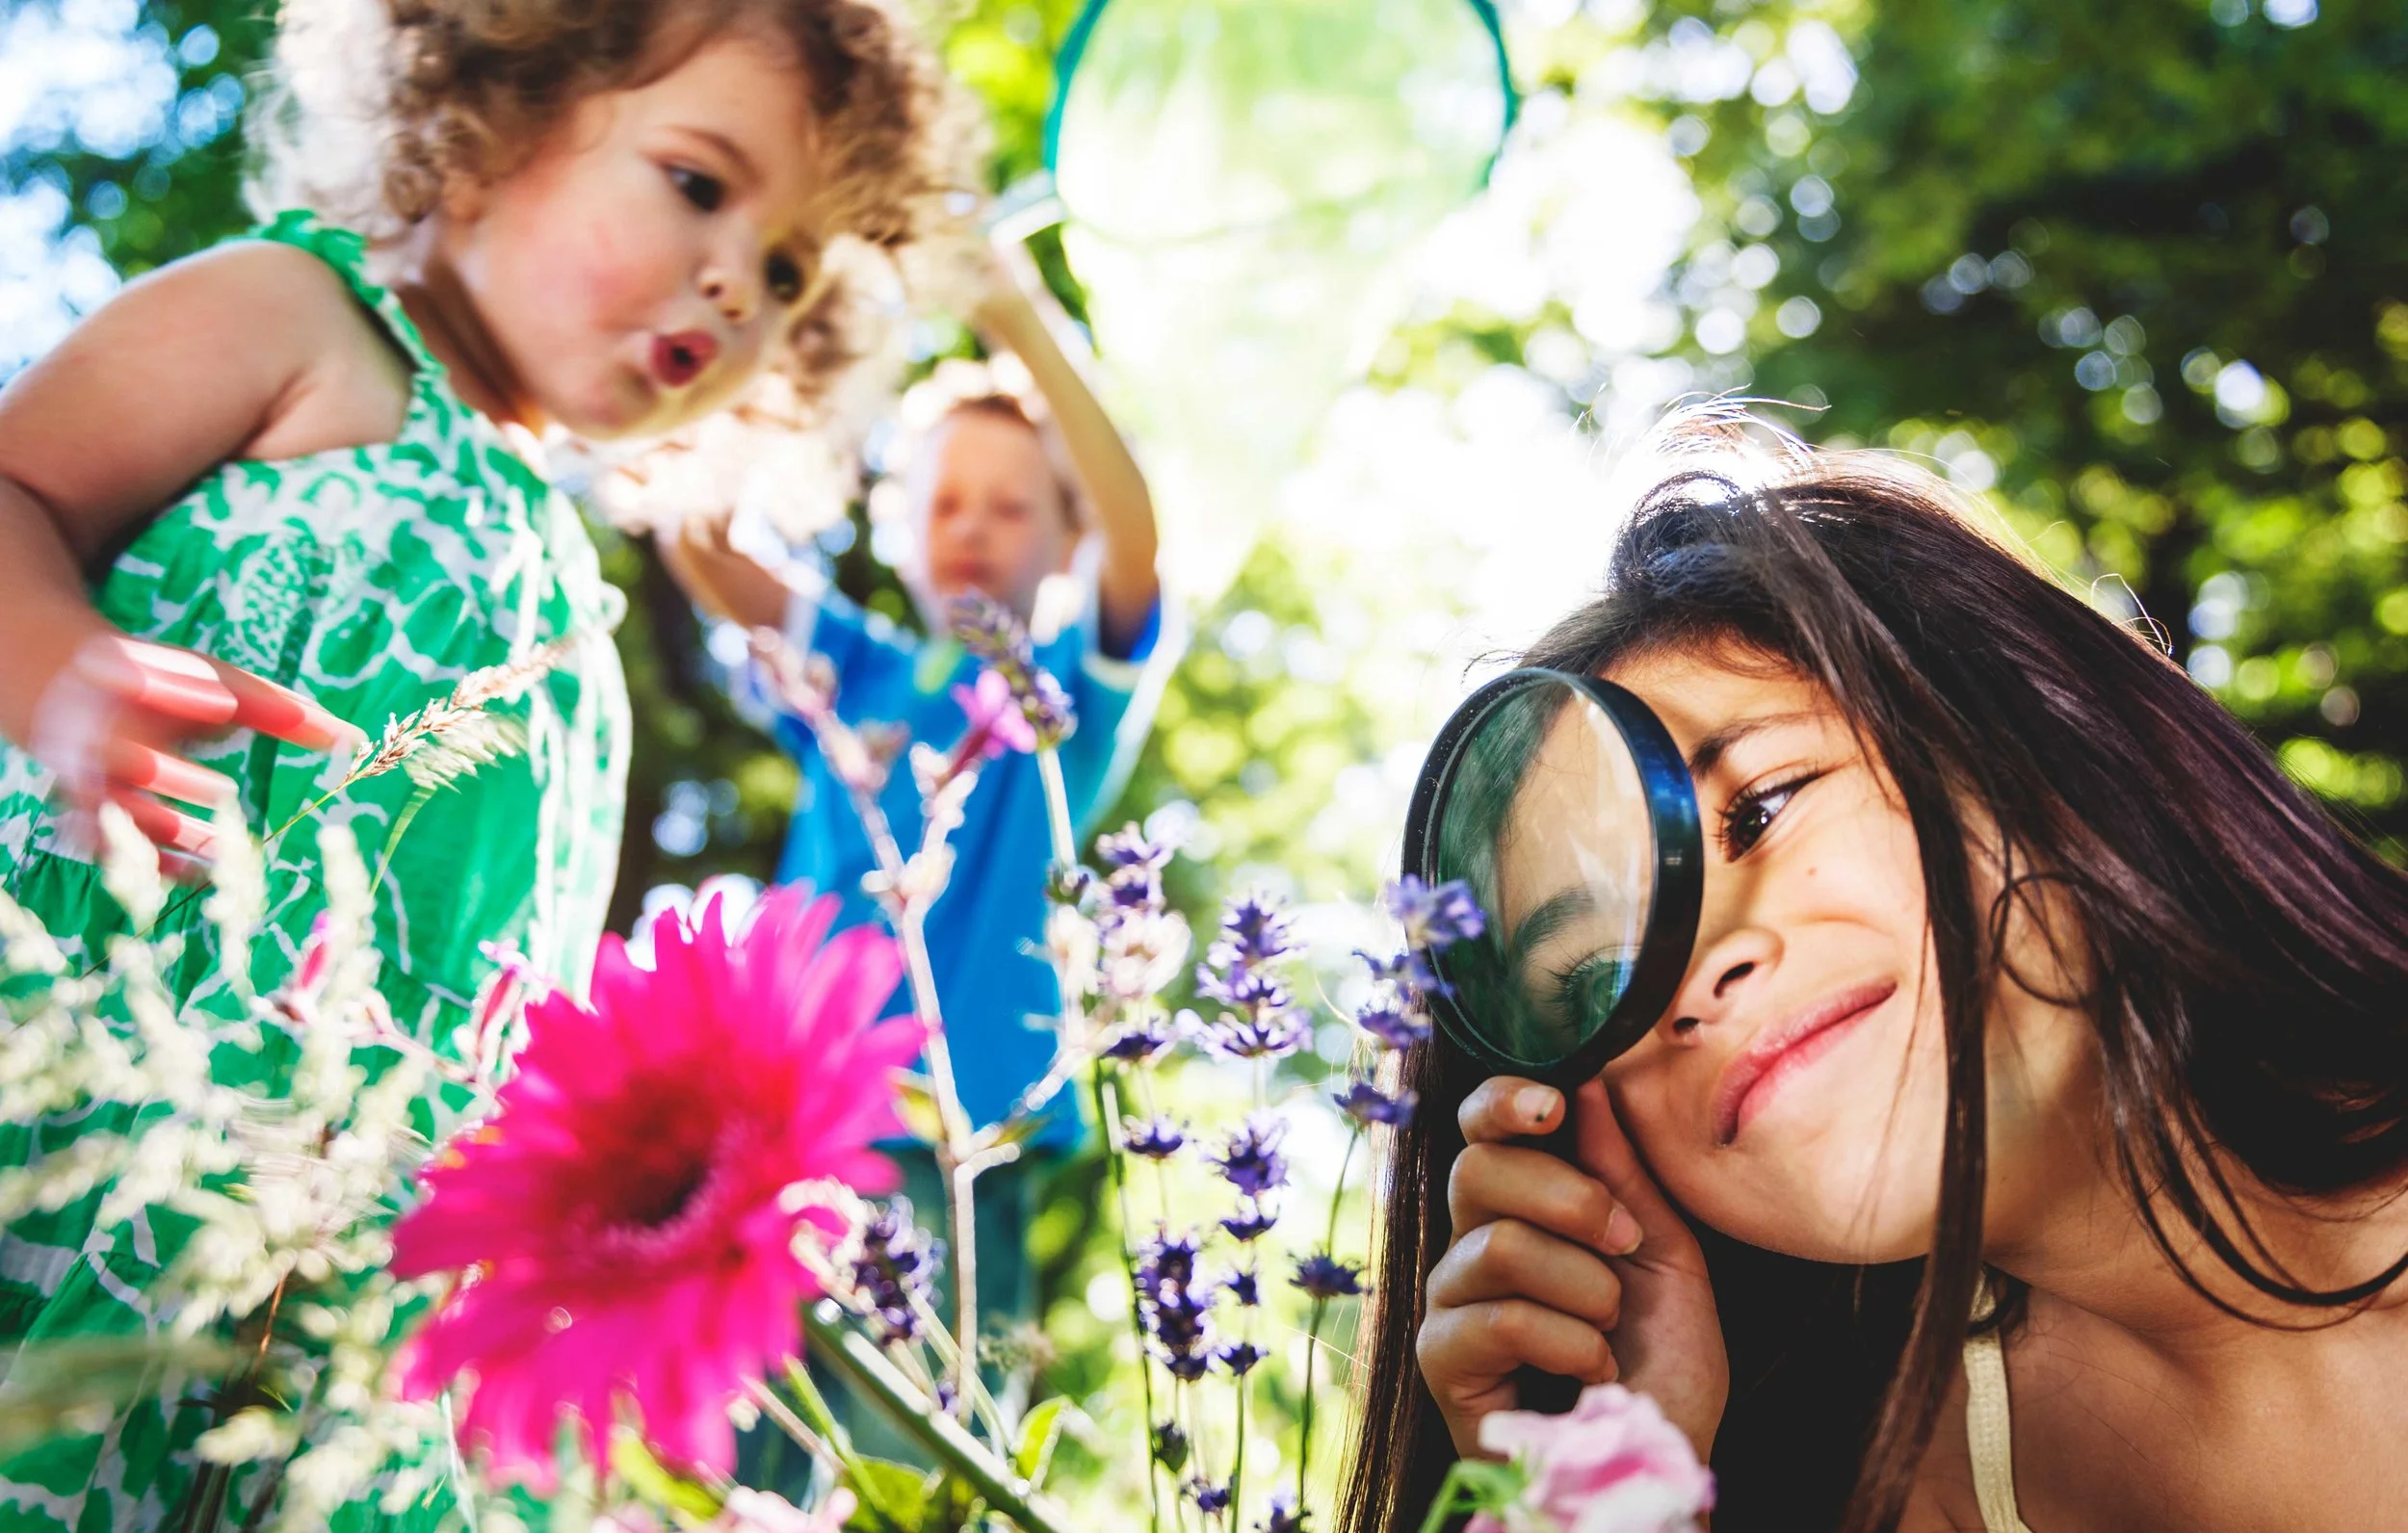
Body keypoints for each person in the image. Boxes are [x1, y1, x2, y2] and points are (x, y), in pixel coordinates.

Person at [0, 0, 964, 1524]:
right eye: (702, 183)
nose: (738, 278)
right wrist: (60, 669)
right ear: (496, 111)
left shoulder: (570, 601)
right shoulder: (297, 319)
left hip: (334, 1272)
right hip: (87, 1081)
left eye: (788, 270)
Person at [1344, 419, 2408, 1533]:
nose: (1696, 972)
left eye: (1760, 806)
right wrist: (1615, 1500)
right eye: (1600, 976)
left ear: (2036, 735)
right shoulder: (1895, 1493)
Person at [661, 239, 1173, 1160]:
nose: (972, 524)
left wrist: (1013, 315)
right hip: (785, 1126)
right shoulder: (857, 671)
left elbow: (1135, 530)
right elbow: (696, 533)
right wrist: (779, 318)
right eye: (943, 504)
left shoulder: (1065, 689)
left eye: (1012, 507)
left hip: (973, 1139)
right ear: (897, 532)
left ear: (1069, 541)